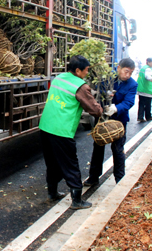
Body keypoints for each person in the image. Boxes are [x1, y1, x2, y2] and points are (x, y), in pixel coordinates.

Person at [39, 55, 103, 210]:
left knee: (52, 163)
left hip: (45, 127)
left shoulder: (59, 78)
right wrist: (102, 109)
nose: (87, 73)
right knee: (70, 164)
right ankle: (77, 200)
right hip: (61, 130)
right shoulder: (80, 86)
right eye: (86, 70)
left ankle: (52, 193)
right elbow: (94, 110)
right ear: (77, 70)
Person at [83, 58, 138, 186]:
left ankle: (120, 179)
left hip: (119, 120)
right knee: (98, 147)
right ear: (118, 68)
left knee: (118, 149)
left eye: (130, 72)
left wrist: (116, 108)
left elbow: (129, 102)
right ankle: (93, 177)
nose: (128, 75)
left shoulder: (132, 84)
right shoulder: (106, 78)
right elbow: (97, 92)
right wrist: (104, 99)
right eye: (126, 71)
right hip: (102, 118)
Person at [137, 58, 152, 122]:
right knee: (148, 104)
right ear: (148, 62)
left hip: (141, 89)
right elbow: (147, 77)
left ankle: (140, 117)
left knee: (141, 104)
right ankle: (148, 116)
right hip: (147, 90)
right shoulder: (148, 69)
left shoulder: (143, 68)